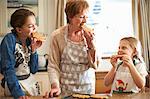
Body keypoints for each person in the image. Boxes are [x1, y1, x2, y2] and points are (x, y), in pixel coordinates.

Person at [46, 0, 98, 97]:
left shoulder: (91, 35)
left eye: (86, 17)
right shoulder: (57, 36)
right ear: (70, 17)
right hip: (65, 89)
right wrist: (55, 86)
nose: (85, 21)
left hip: (87, 88)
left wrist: (91, 44)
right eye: (82, 17)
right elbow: (53, 65)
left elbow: (95, 65)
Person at [0, 9, 42, 99]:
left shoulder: (29, 41)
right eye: (31, 26)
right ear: (19, 29)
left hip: (30, 84)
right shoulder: (9, 40)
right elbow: (8, 69)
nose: (35, 28)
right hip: (15, 86)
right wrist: (18, 94)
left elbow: (34, 70)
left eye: (35, 25)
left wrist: (34, 50)